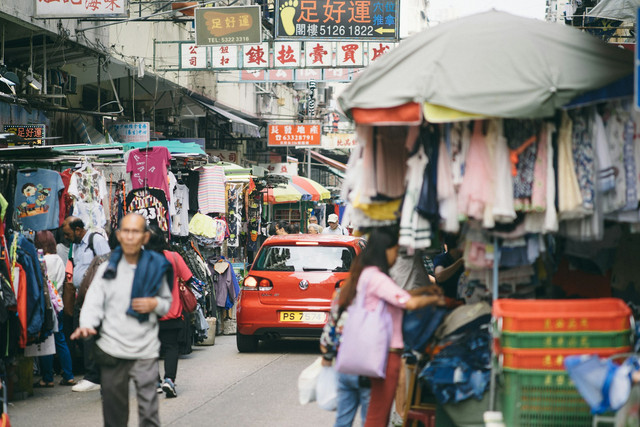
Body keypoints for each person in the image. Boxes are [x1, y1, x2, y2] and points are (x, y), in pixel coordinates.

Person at [71, 213, 173, 427]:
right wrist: (87, 325)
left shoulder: (156, 266)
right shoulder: (107, 268)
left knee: (149, 414)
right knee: (114, 414)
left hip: (145, 349)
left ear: (145, 237)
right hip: (112, 349)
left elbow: (166, 302)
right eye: (125, 231)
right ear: (118, 235)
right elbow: (94, 301)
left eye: (135, 232)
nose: (129, 237)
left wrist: (154, 304)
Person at [337, 227, 445, 426]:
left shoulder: (367, 275)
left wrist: (424, 292)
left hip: (379, 352)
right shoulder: (376, 277)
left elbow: (399, 297)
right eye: (395, 250)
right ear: (385, 250)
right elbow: (407, 303)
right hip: (387, 352)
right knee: (377, 417)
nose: (397, 256)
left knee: (371, 416)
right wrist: (433, 299)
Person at [61, 216, 111, 392]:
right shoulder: (75, 246)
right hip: (81, 296)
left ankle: (93, 376)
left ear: (78, 229)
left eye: (68, 234)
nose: (66, 238)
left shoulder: (95, 240)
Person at [145, 226, 194, 398]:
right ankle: (169, 380)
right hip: (171, 312)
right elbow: (189, 278)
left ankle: (156, 382)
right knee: (171, 347)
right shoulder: (174, 257)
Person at [33, 231, 76, 388]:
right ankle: (69, 374)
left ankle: (47, 377)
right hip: (59, 303)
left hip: (47, 305)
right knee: (60, 340)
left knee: (46, 340)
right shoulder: (58, 258)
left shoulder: (42, 260)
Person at [433, 233, 465, 300]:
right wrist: (460, 262)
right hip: (445, 302)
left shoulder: (466, 259)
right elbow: (439, 276)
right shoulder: (441, 258)